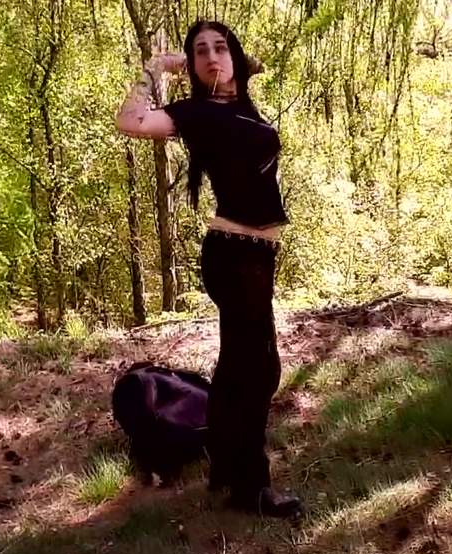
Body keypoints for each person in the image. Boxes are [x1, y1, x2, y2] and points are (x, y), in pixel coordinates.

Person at [115, 20, 302, 518]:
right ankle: (251, 486)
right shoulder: (195, 112)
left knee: (240, 366)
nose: (211, 56)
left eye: (220, 48)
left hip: (256, 255)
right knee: (257, 369)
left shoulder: (240, 107)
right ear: (191, 65)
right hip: (234, 254)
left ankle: (225, 469)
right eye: (200, 51)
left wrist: (225, 61)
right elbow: (130, 121)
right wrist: (159, 67)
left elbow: (252, 64)